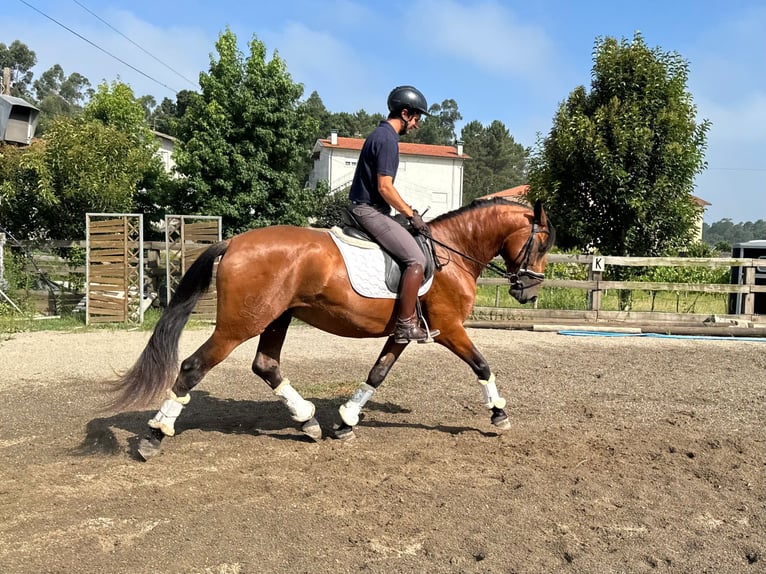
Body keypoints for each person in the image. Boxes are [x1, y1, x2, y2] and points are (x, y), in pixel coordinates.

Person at [348, 85, 439, 343]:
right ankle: (405, 325)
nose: (417, 125)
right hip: (367, 210)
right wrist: (411, 214)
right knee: (416, 259)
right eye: (417, 119)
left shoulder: (380, 135)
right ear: (406, 113)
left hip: (369, 208)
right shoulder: (388, 139)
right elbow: (385, 187)